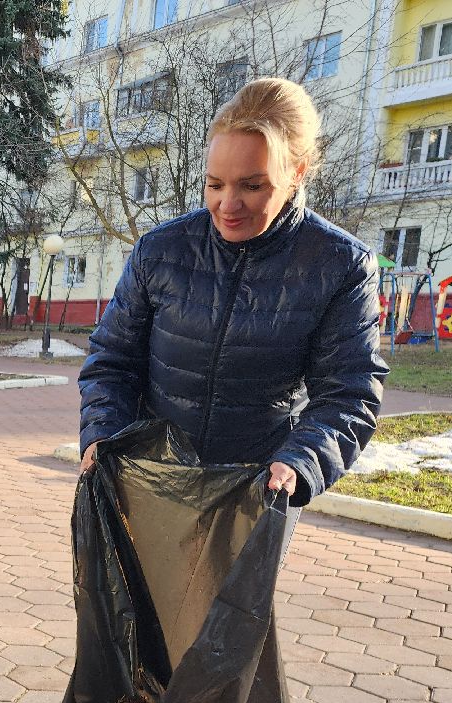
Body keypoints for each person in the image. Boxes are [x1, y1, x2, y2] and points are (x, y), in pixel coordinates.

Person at [78, 77, 386, 498]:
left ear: (297, 172)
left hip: (256, 490)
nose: (227, 204)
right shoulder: (161, 251)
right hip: (149, 479)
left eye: (252, 185)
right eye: (215, 184)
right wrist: (104, 433)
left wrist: (301, 461)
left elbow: (348, 393)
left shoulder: (339, 265)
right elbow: (112, 360)